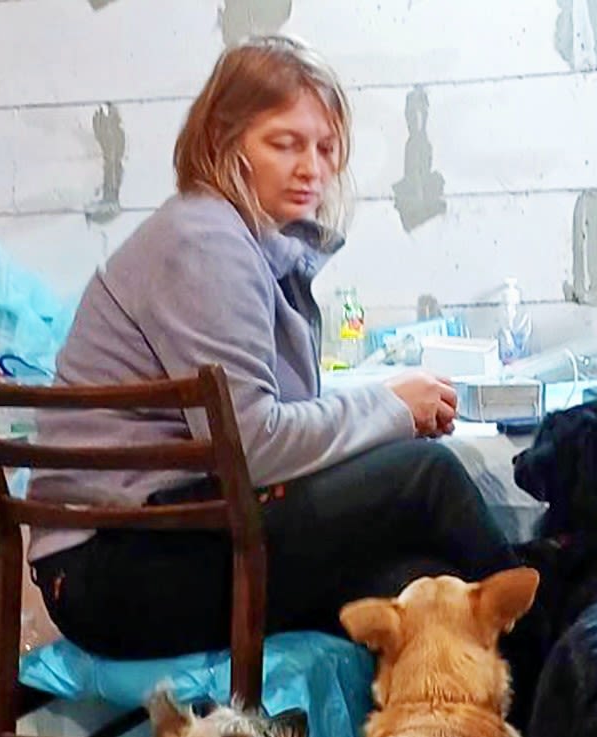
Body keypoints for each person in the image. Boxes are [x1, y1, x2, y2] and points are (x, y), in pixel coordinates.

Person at [28, 36, 515, 661]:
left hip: (169, 534)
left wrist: (386, 410)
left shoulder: (239, 241)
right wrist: (392, 408)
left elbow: (266, 433)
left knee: (414, 582)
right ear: (223, 142)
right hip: (115, 566)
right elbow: (253, 444)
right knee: (427, 475)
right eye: (285, 144)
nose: (312, 167)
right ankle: (554, 659)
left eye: (326, 148)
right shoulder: (205, 241)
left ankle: (505, 704)